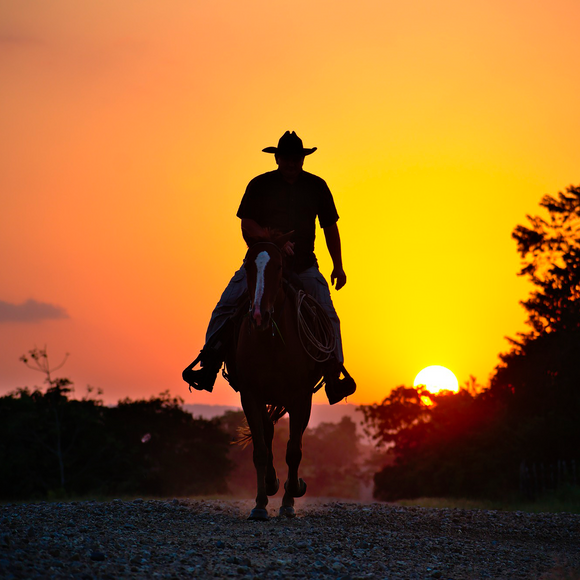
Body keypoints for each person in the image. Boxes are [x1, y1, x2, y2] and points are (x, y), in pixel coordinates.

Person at [183, 131, 356, 404]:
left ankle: (334, 375)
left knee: (327, 312)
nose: (291, 162)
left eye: (295, 158)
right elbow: (246, 224)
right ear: (277, 158)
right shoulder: (259, 185)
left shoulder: (317, 186)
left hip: (303, 266)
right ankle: (210, 365)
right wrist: (273, 241)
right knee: (226, 305)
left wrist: (338, 266)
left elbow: (329, 226)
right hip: (262, 262)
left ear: (302, 158)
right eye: (286, 157)